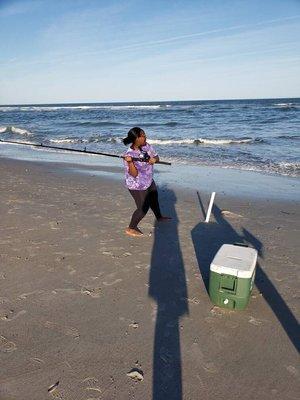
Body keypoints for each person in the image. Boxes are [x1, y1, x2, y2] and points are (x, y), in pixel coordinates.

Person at [123, 127, 171, 237]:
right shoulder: (129, 154)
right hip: (136, 184)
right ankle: (131, 227)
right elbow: (134, 174)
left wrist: (155, 159)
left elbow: (156, 156)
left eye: (144, 134)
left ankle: (159, 217)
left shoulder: (146, 146)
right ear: (136, 138)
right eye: (143, 135)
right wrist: (130, 163)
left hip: (148, 179)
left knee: (154, 199)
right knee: (142, 208)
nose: (145, 137)